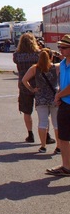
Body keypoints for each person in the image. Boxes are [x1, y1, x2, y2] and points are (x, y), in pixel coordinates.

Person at [22, 48, 60, 154]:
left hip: (41, 98)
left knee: (42, 122)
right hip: (54, 98)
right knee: (56, 124)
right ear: (51, 57)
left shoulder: (35, 68)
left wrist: (32, 89)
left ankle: (43, 146)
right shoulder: (56, 67)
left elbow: (24, 80)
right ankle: (59, 146)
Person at [13, 33, 47, 144]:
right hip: (38, 84)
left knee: (27, 111)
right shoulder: (38, 54)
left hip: (24, 85)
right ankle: (46, 134)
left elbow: (17, 63)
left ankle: (30, 134)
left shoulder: (17, 55)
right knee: (42, 111)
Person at [46, 34, 70, 176]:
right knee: (64, 137)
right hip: (65, 104)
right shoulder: (62, 63)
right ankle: (66, 166)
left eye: (64, 47)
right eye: (60, 47)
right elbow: (63, 81)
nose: (60, 49)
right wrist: (59, 93)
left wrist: (59, 95)